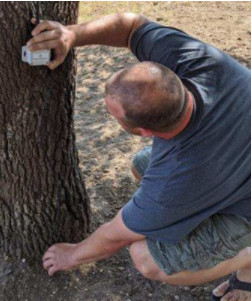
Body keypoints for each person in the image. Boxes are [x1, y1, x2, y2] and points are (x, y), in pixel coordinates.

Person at [27, 13, 251, 300]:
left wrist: (72, 255)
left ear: (144, 132)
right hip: (239, 156)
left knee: (145, 257)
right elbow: (131, 24)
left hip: (245, 205)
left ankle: (247, 261)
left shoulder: (173, 180)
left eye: (113, 114)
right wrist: (71, 35)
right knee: (140, 166)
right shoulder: (196, 61)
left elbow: (116, 236)